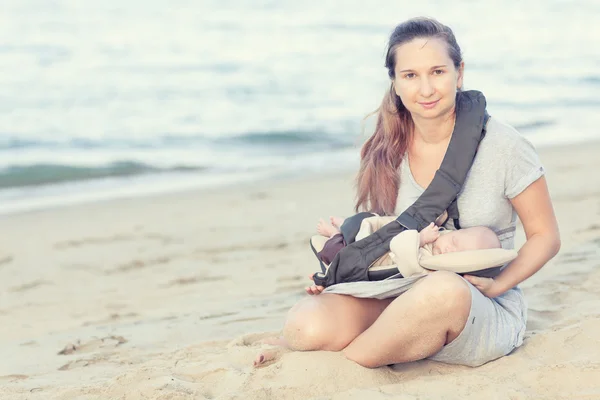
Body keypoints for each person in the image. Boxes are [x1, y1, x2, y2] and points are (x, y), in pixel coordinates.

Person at [261, 17, 560, 369]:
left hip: (475, 303)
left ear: (459, 73)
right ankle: (362, 343)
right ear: (396, 83)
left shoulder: (505, 146)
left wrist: (497, 287)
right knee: (306, 326)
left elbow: (546, 237)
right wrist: (341, 277)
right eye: (411, 76)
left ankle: (346, 366)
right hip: (397, 290)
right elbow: (383, 235)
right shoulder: (388, 148)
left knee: (442, 291)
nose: (427, 89)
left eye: (437, 72)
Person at [315, 216, 501, 270]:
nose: (449, 248)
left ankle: (335, 234)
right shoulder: (439, 233)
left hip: (373, 256)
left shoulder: (430, 260)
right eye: (454, 240)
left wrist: (419, 239)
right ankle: (346, 226)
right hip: (376, 234)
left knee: (338, 252)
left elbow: (403, 251)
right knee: (369, 221)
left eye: (458, 252)